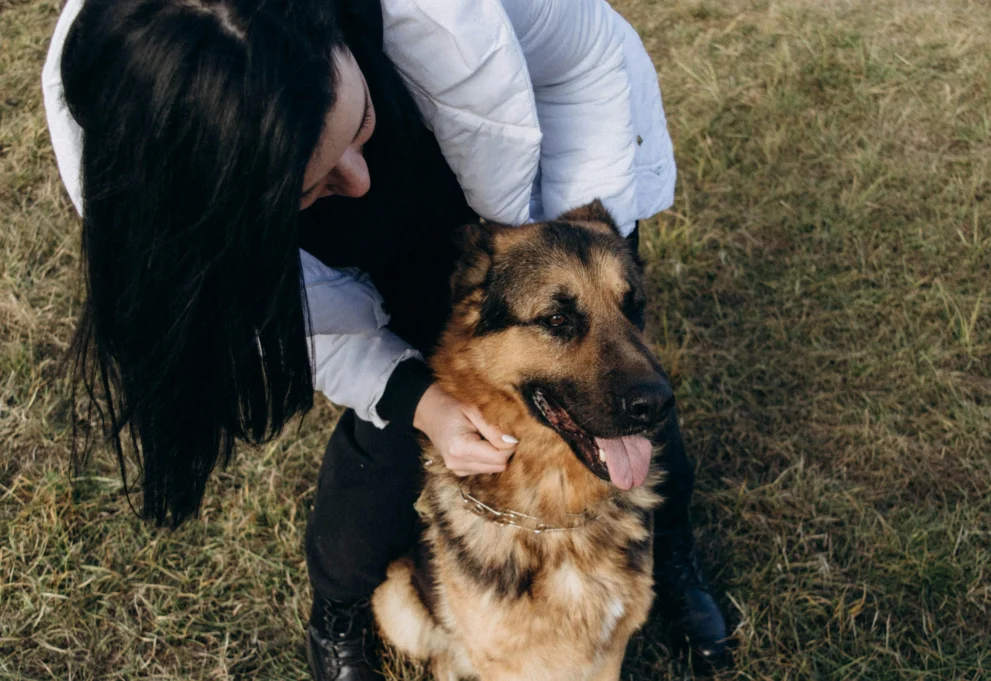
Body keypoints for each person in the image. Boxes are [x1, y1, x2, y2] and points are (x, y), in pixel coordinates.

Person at [41, 0, 730, 677]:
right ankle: (339, 608)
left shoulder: (452, 20)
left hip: (547, 195)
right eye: (313, 183)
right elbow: (301, 320)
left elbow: (586, 57)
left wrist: (573, 236)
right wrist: (416, 396)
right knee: (392, 440)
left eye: (354, 123)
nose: (359, 177)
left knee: (622, 391)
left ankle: (666, 546)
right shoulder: (150, 176)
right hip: (361, 239)